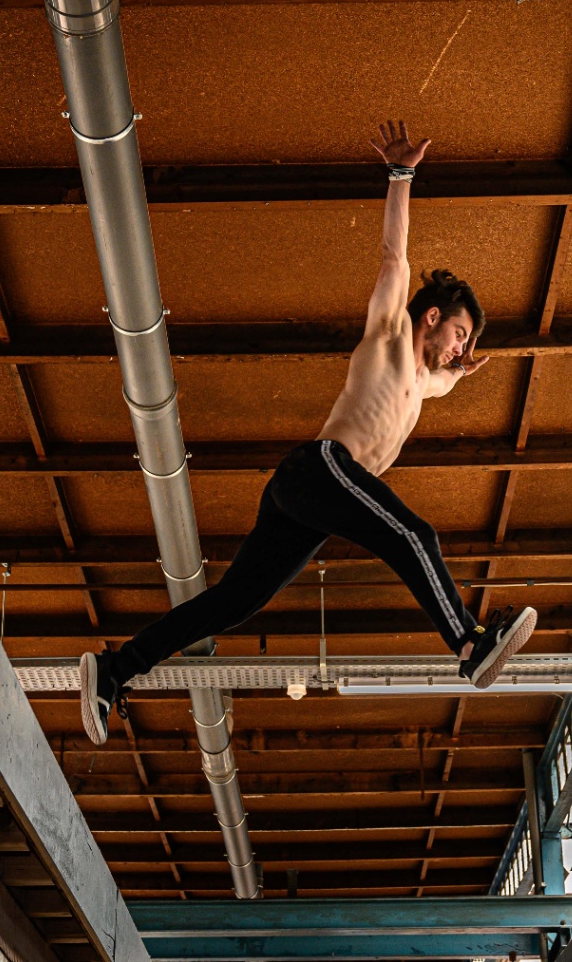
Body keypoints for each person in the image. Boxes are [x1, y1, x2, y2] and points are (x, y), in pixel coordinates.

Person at [78, 121, 536, 745]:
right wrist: (401, 178)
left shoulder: (426, 383)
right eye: (459, 335)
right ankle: (468, 640)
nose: (461, 349)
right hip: (321, 468)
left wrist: (460, 368)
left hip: (312, 499)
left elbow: (443, 381)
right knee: (413, 533)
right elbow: (394, 259)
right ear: (432, 317)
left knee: (234, 605)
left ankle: (114, 668)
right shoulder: (391, 335)